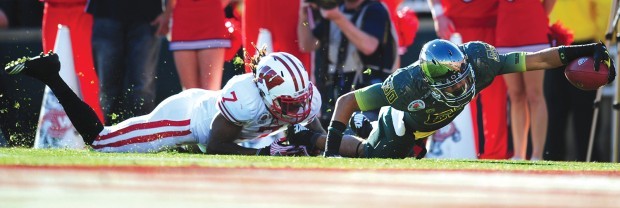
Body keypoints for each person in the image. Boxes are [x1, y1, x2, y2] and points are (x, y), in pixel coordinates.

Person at [285, 39, 615, 158]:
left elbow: (538, 60)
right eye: (451, 86)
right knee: (374, 152)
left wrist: (582, 50)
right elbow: (346, 100)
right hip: (405, 123)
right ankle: (310, 136)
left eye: (463, 81)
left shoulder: (481, 61)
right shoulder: (406, 85)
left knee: (412, 155)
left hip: (429, 122)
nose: (461, 89)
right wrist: (329, 154)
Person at [4, 50, 324, 156]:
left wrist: (321, 143)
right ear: (265, 91)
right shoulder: (246, 97)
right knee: (102, 142)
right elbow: (214, 146)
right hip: (187, 119)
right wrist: (268, 152)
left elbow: (316, 136)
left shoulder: (305, 99)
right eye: (289, 103)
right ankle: (50, 74)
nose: (299, 110)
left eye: (301, 101)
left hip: (212, 115)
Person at [427, 0, 510, 159]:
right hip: (455, 28)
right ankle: (459, 151)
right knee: (455, 94)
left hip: (492, 26)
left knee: (495, 98)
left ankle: (495, 155)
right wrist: (438, 14)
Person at [298, 0, 398, 128]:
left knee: (359, 138)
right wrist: (304, 16)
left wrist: (337, 17)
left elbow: (369, 46)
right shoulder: (333, 10)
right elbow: (307, 45)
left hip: (369, 96)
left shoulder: (375, 9)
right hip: (337, 94)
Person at [544, 0, 611, 161]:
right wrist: (603, 38)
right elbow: (604, 8)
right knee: (585, 113)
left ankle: (552, 163)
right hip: (584, 43)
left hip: (553, 43)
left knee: (554, 113)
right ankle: (589, 161)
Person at [86, 0, 165, 125]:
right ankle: (110, 137)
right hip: (105, 12)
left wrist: (167, 11)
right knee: (108, 85)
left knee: (142, 86)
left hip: (147, 15)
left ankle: (143, 137)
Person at [495, 0, 555, 161]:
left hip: (533, 30)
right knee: (515, 95)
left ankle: (537, 154)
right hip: (506, 31)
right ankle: (519, 154)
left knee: (534, 94)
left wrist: (539, 15)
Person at [41, 0, 104, 121]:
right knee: (53, 75)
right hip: (52, 8)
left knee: (88, 76)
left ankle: (98, 131)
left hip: (83, 9)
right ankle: (56, 134)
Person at [162, 0, 231, 90]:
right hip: (182, 25)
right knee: (190, 92)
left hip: (212, 24)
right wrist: (166, 17)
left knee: (210, 92)